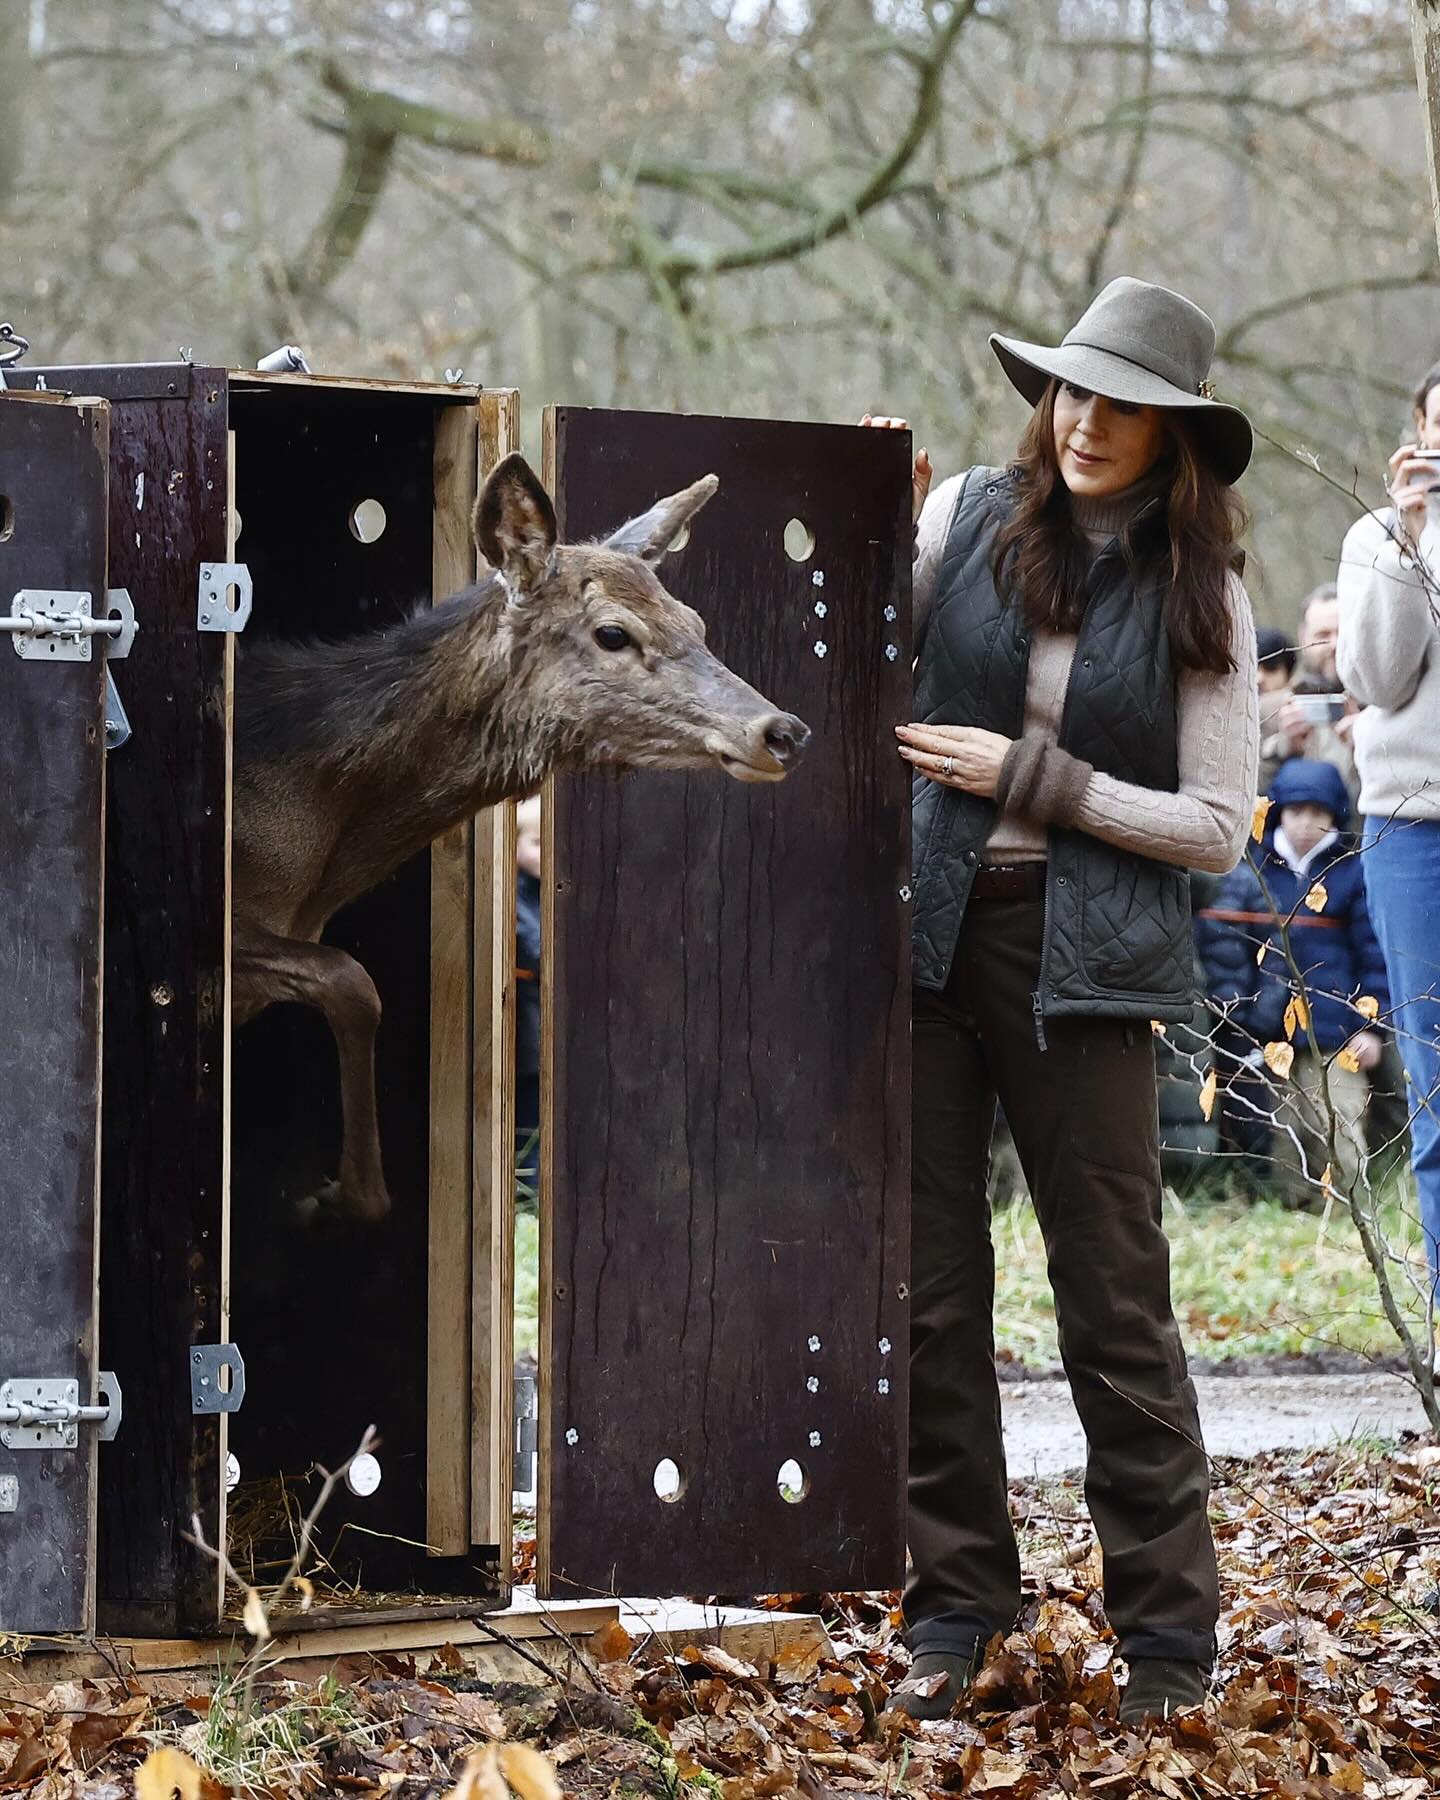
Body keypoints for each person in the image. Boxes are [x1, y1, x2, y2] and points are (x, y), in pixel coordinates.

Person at [868, 277, 1259, 1727]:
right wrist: (866, 531)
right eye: (1071, 393)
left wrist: (1032, 778)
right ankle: (955, 1611)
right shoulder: (964, 509)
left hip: (1082, 969)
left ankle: (1167, 1644)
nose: (1087, 423)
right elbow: (864, 665)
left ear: (1175, 438)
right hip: (924, 942)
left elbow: (1220, 824)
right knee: (925, 1298)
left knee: (1114, 1307)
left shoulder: (1205, 586)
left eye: (1124, 407)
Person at [1335, 354, 1440, 1357]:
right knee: (1437, 1083)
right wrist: (1410, 542)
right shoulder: (1377, 538)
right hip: (1415, 826)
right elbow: (1374, 673)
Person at [1196, 759, 1389, 1201]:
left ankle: (1349, 1210)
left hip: (1339, 1031)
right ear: (1278, 812)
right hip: (1271, 1028)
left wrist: (1372, 1027)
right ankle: (1290, 1211)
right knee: (1283, 1129)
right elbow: (1229, 949)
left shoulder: (1351, 873)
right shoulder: (1254, 868)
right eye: (1296, 811)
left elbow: (1374, 956)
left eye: (1318, 814)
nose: (1306, 823)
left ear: (1336, 816)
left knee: (1339, 1120)